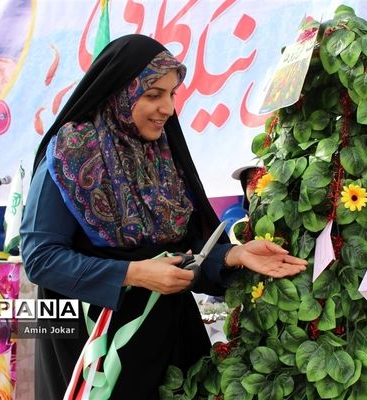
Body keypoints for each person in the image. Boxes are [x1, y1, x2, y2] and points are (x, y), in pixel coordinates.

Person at [20, 34, 307, 399]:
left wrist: (234, 254)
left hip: (168, 342)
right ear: (117, 92)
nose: (167, 107)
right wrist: (135, 274)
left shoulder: (161, 155)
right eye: (153, 94)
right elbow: (41, 260)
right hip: (96, 351)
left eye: (172, 94)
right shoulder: (71, 155)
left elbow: (185, 249)